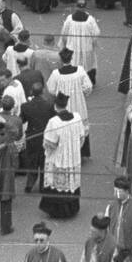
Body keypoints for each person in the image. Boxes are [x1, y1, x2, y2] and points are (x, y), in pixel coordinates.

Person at [40, 91, 87, 219]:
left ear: (55, 106)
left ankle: (58, 212)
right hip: (73, 156)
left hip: (59, 158)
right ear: (67, 104)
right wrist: (75, 149)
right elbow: (82, 137)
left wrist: (48, 154)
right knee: (71, 183)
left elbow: (50, 143)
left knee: (57, 185)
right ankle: (72, 209)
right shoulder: (77, 117)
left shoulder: (53, 122)